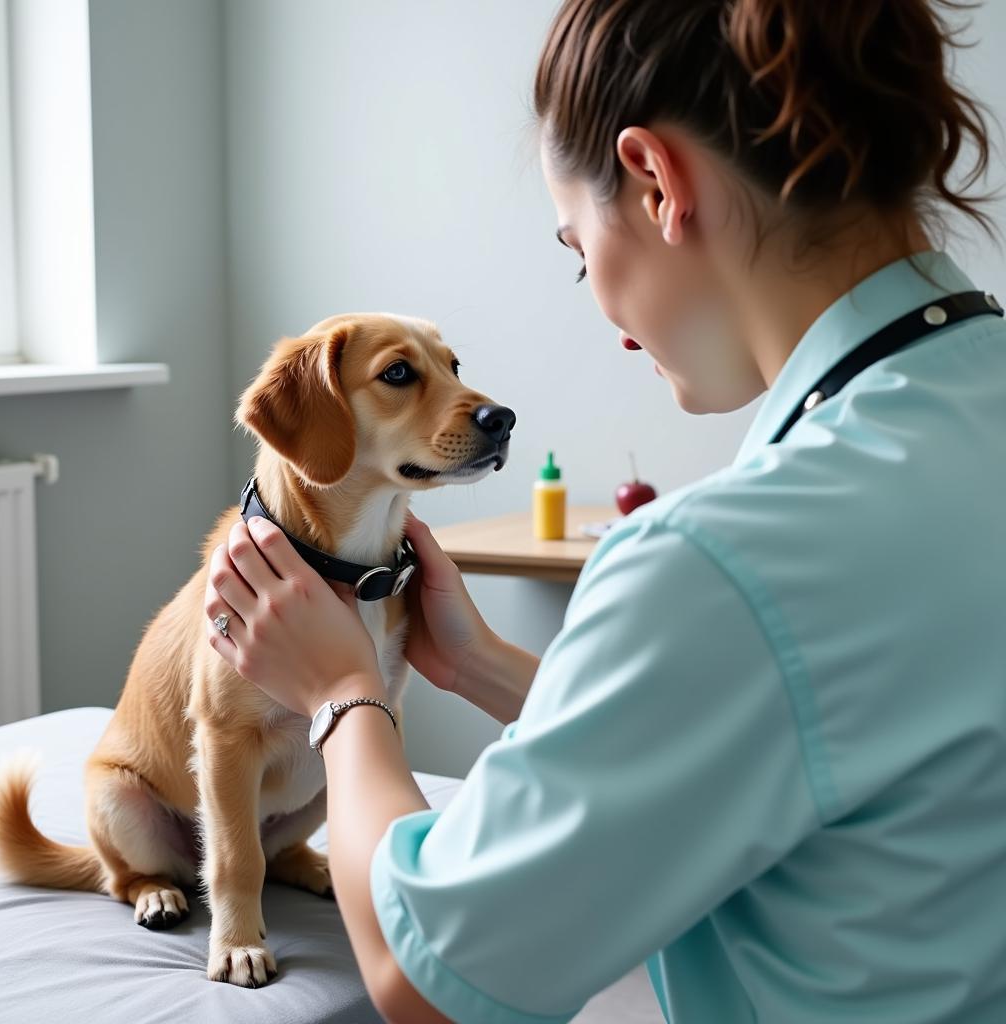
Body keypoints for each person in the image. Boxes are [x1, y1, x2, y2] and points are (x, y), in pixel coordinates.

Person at [203, 1, 1006, 1021]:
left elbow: (426, 978)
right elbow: (800, 724)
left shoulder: (715, 560)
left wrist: (340, 694)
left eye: (580, 252)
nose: (605, 313)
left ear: (655, 183)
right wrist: (485, 666)